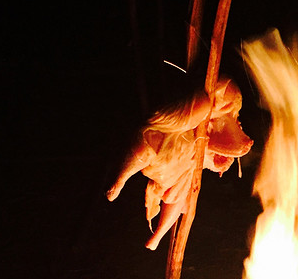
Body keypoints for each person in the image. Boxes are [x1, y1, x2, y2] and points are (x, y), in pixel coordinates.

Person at [107, 78, 254, 250]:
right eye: (225, 107)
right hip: (165, 145)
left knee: (180, 194)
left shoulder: (222, 122)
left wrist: (219, 161)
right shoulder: (198, 109)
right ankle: (120, 180)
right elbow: (196, 124)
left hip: (181, 168)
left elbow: (211, 154)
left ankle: (158, 235)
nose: (229, 113)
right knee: (144, 148)